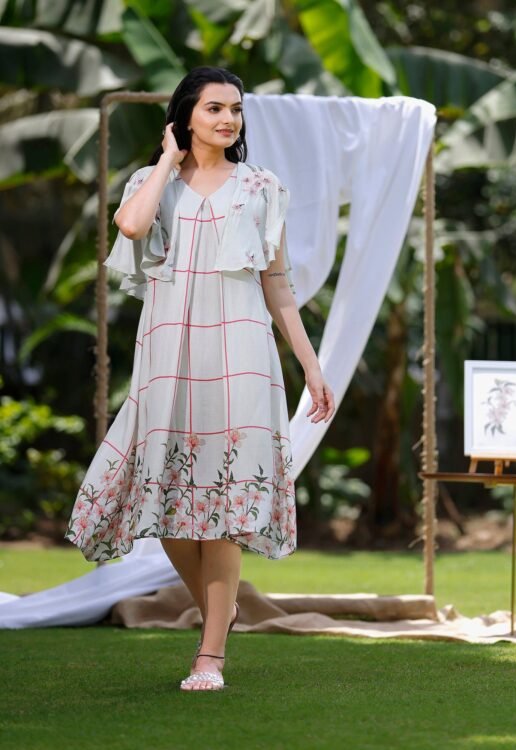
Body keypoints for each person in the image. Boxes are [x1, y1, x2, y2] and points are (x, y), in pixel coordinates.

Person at [64, 66, 335, 691]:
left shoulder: (261, 187)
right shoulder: (148, 183)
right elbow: (130, 228)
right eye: (214, 108)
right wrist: (166, 162)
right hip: (167, 355)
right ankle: (223, 608)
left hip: (241, 352)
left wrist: (310, 365)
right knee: (170, 508)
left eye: (235, 110)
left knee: (227, 504)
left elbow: (277, 284)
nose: (228, 120)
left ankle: (210, 655)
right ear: (186, 114)